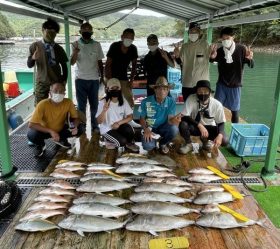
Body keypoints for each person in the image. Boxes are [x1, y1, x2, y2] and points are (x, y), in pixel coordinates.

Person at [27, 83, 84, 157]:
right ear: (50, 93)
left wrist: (74, 127)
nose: (58, 93)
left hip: (61, 129)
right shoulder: (42, 104)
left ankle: (62, 139)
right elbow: (31, 124)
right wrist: (51, 131)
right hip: (45, 130)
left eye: (61, 91)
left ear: (64, 93)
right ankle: (41, 145)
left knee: (81, 128)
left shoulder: (68, 102)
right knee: (32, 135)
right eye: (55, 91)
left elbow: (76, 118)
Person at [210, 27, 254, 123]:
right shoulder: (220, 51)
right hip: (221, 83)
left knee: (235, 111)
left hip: (235, 85)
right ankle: (215, 129)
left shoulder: (241, 49)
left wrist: (250, 58)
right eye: (223, 39)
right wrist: (212, 57)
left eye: (228, 38)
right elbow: (212, 60)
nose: (225, 40)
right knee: (216, 107)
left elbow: (251, 65)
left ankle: (235, 130)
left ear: (233, 37)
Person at [70, 22, 104, 133]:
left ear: (92, 32)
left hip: (94, 79)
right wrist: (75, 52)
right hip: (80, 79)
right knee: (81, 105)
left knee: (95, 105)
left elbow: (100, 62)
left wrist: (102, 77)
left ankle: (95, 126)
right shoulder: (75, 44)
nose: (86, 31)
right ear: (80, 32)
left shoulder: (97, 44)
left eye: (89, 30)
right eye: (84, 30)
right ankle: (82, 125)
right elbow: (72, 62)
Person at [179, 80, 227, 154]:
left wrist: (220, 135)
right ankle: (189, 144)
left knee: (225, 140)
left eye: (205, 91)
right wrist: (199, 125)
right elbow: (184, 115)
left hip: (210, 128)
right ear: (196, 92)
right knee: (183, 124)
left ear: (210, 92)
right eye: (200, 91)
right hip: (195, 126)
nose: (203, 93)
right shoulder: (191, 98)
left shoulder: (217, 104)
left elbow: (221, 122)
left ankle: (205, 141)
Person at [27, 18, 68, 105]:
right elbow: (29, 65)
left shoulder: (59, 48)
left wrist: (64, 81)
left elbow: (64, 66)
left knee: (57, 104)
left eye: (54, 31)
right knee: (40, 106)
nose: (51, 33)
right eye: (48, 30)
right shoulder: (35, 46)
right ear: (43, 30)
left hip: (57, 81)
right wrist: (33, 58)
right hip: (42, 82)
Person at [174, 22, 216, 102]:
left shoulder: (205, 45)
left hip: (202, 84)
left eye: (195, 31)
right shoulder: (185, 46)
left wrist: (213, 56)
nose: (193, 33)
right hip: (187, 83)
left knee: (202, 107)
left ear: (199, 33)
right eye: (191, 32)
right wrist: (177, 56)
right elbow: (180, 62)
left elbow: (211, 59)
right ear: (188, 33)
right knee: (188, 106)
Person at [139, 76, 180, 154]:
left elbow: (170, 121)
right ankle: (154, 141)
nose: (162, 91)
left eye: (164, 89)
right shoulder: (145, 101)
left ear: (168, 90)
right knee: (148, 147)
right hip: (149, 128)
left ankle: (163, 143)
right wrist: (146, 129)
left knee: (174, 129)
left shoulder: (171, 102)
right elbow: (141, 118)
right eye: (159, 88)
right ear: (155, 89)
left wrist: (175, 121)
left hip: (163, 127)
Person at [96, 78, 139, 152]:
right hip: (107, 129)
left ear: (120, 89)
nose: (115, 90)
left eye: (117, 88)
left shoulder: (123, 100)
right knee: (122, 142)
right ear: (108, 89)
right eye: (112, 88)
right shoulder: (102, 102)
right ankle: (108, 140)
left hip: (118, 126)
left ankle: (128, 143)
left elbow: (130, 116)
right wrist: (104, 110)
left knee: (130, 131)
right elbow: (99, 121)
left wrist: (118, 123)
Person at [105, 28, 138, 107]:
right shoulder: (114, 46)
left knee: (129, 100)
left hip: (123, 77)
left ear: (133, 39)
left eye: (131, 38)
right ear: (122, 37)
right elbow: (108, 64)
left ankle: (129, 118)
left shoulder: (133, 48)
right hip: (111, 75)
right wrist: (109, 81)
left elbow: (134, 66)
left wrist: (131, 80)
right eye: (127, 37)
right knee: (111, 99)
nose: (129, 40)